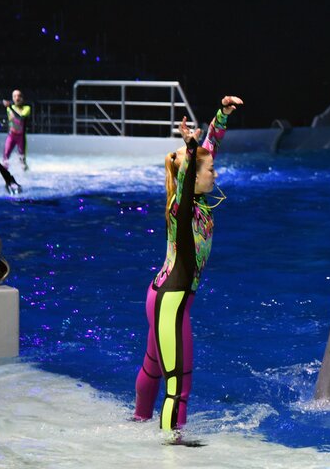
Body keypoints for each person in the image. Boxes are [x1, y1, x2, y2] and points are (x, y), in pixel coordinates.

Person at [133, 95, 244, 439]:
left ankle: (138, 420)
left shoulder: (195, 198)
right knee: (178, 387)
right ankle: (171, 447)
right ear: (193, 178)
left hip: (161, 296)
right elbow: (190, 173)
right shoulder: (180, 210)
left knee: (153, 368)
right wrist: (192, 152)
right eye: (210, 171)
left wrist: (220, 117)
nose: (216, 173)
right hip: (171, 303)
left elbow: (208, 150)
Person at [2, 89, 32, 170]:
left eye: (19, 96)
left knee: (22, 159)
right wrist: (10, 107)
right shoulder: (9, 108)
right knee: (5, 155)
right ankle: (5, 173)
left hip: (21, 137)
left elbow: (20, 118)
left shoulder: (27, 108)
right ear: (12, 98)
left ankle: (26, 175)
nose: (17, 98)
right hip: (11, 136)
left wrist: (10, 107)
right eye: (14, 96)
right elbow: (13, 119)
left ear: (22, 98)